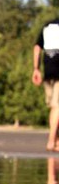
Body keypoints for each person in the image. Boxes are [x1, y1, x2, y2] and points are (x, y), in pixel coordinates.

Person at [33, 17, 59, 151]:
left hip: (48, 70)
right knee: (57, 107)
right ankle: (51, 141)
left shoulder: (48, 25)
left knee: (54, 108)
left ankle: (56, 141)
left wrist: (36, 69)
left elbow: (37, 48)